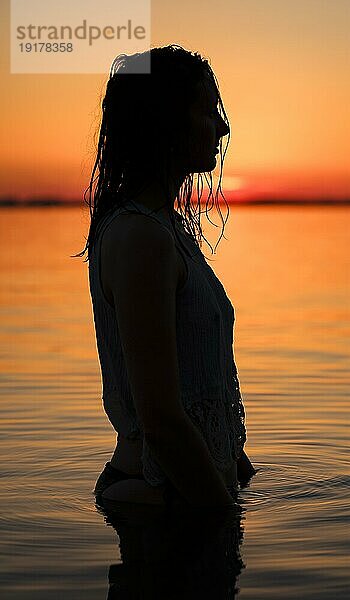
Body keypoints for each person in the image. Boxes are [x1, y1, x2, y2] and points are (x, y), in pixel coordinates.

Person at [76, 44, 256, 509]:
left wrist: (241, 475)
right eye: (205, 109)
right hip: (158, 502)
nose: (222, 126)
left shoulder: (166, 229)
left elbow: (201, 386)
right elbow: (160, 419)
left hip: (189, 496)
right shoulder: (140, 236)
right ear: (164, 122)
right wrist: (224, 521)